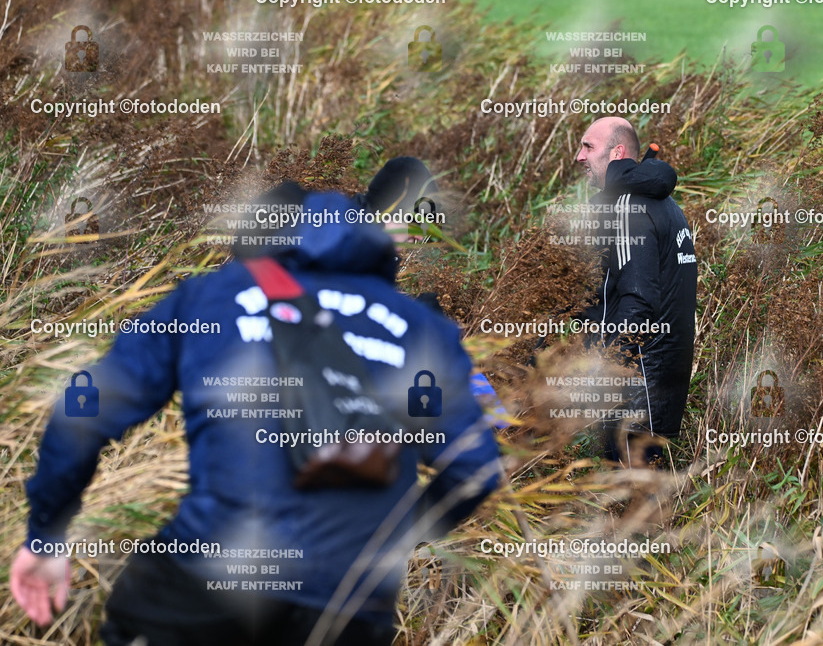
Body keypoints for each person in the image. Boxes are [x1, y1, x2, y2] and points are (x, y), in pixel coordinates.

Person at [11, 183, 502, 645]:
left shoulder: (211, 297)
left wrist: (45, 538)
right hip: (350, 603)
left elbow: (85, 412)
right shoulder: (421, 327)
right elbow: (474, 468)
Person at [573, 117, 697, 463]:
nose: (579, 156)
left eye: (588, 146)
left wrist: (607, 369)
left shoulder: (630, 207)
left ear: (617, 152)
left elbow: (638, 299)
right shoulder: (665, 204)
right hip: (660, 379)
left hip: (637, 383)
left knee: (630, 487)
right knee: (643, 489)